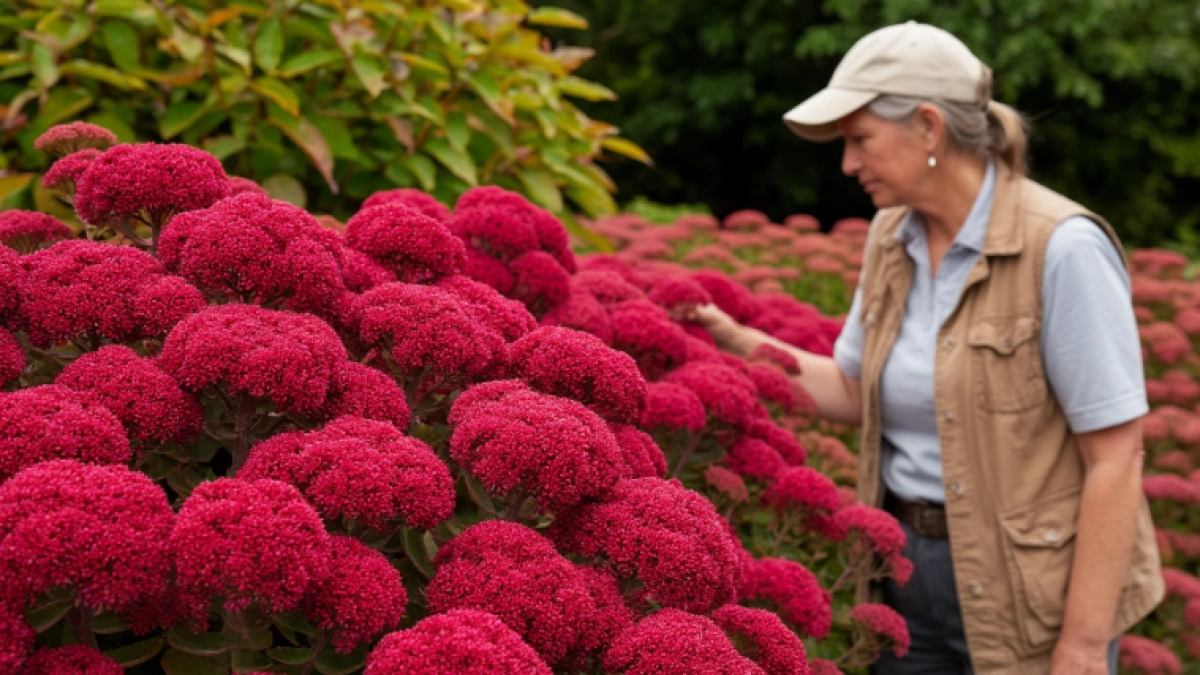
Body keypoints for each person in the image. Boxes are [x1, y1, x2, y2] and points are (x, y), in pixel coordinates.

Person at [688, 21, 1164, 675]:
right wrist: (744, 345)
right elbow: (856, 391)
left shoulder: (1063, 247)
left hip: (1030, 594)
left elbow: (1115, 458)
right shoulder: (891, 237)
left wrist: (1082, 646)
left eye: (859, 140)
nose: (847, 163)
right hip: (903, 577)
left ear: (930, 128)